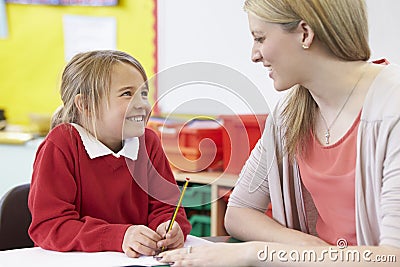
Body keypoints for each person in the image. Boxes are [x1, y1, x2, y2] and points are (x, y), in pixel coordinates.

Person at [158, 0, 400, 265]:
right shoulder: (290, 113)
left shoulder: (392, 108)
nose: (254, 54)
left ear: (305, 33)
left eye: (260, 38)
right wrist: (308, 246)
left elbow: (393, 257)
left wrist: (254, 253)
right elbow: (239, 211)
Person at [28, 50, 191, 258]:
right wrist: (119, 236)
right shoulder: (61, 144)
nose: (143, 104)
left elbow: (167, 209)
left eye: (143, 94)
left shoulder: (148, 143)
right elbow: (50, 226)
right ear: (86, 105)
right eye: (127, 94)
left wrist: (169, 227)